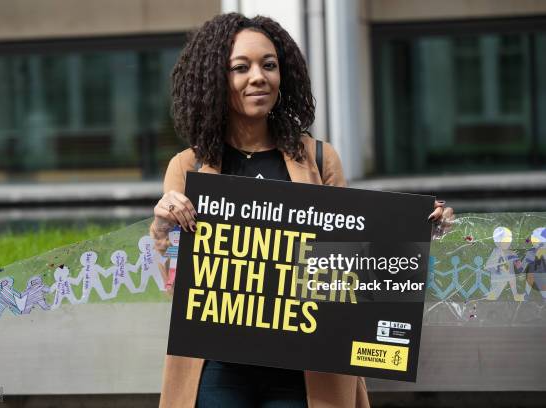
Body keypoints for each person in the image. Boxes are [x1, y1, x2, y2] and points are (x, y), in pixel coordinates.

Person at [149, 13, 454, 408]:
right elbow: (172, 279)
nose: (259, 77)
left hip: (306, 366)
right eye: (241, 67)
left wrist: (413, 231)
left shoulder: (320, 158)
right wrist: (161, 229)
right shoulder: (186, 167)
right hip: (218, 366)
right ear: (214, 80)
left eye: (269, 65)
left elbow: (349, 262)